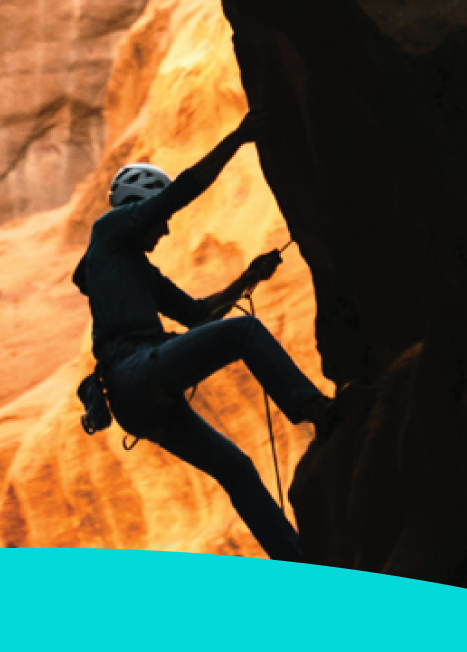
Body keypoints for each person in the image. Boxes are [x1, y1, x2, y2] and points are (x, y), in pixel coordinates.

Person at [71, 110, 341, 562]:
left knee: (236, 468)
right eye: (156, 217)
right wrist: (238, 138)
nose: (165, 228)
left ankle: (296, 562)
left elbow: (196, 315)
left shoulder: (131, 267)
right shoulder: (109, 231)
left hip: (136, 395)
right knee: (243, 332)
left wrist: (249, 278)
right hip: (134, 371)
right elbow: (180, 193)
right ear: (137, 207)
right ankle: (315, 410)